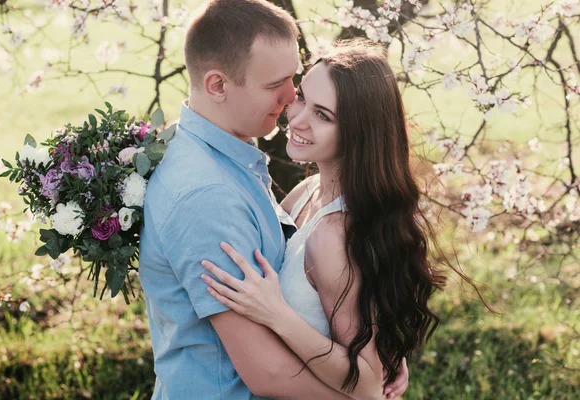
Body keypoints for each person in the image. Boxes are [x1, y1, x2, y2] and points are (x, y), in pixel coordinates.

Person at [139, 0, 408, 399]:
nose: (288, 102)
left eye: (294, 83)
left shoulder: (215, 152)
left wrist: (370, 344)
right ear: (217, 85)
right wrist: (364, 391)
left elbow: (332, 291)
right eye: (276, 86)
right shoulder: (208, 196)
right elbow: (268, 373)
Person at [200, 41, 450, 399]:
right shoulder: (308, 190)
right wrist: (379, 344)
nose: (297, 118)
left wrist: (276, 314)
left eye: (323, 115)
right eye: (301, 97)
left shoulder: (332, 235)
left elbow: (365, 385)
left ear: (358, 132)